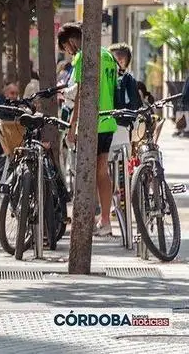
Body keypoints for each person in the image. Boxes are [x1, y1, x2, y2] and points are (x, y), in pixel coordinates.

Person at [59, 22, 118, 237]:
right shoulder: (108, 56)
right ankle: (105, 220)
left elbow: (82, 94)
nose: (68, 52)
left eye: (66, 47)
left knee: (86, 171)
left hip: (91, 121)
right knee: (102, 172)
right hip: (108, 120)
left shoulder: (84, 57)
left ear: (71, 41)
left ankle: (88, 220)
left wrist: (73, 126)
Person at [109, 42, 142, 150]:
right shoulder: (110, 77)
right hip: (116, 123)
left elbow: (134, 103)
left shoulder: (127, 79)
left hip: (122, 124)